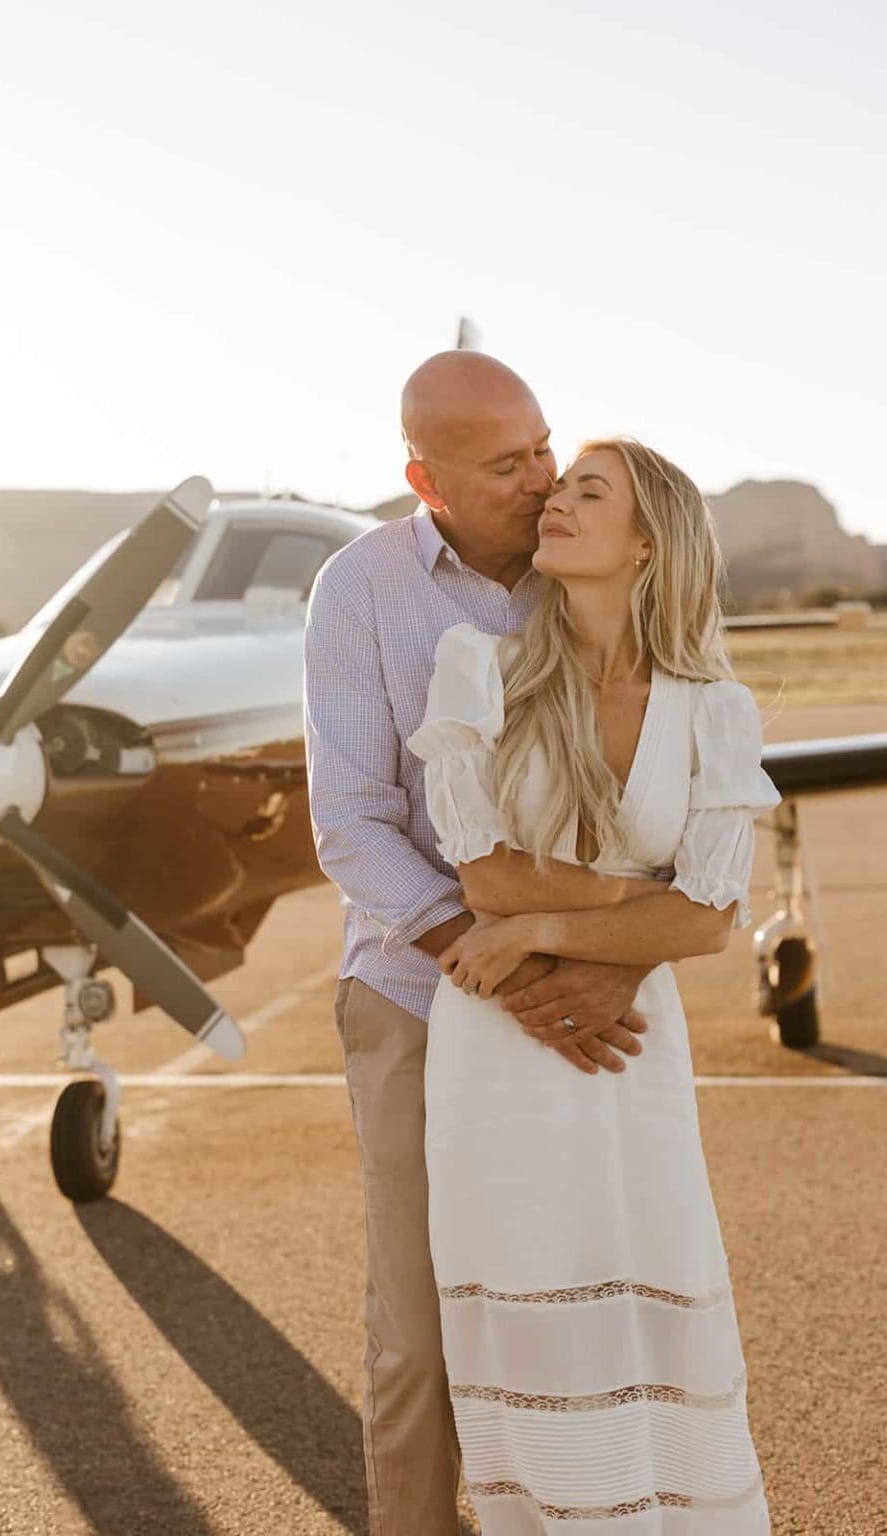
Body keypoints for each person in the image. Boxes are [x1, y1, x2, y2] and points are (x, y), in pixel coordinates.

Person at [304, 352, 671, 1534]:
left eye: (544, 446)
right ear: (427, 477)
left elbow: (674, 813)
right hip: (416, 997)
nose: (542, 478)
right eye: (506, 463)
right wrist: (507, 962)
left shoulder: (611, 571)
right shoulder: (360, 590)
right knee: (419, 1331)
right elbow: (351, 826)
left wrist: (599, 961)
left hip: (594, 1001)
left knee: (586, 1312)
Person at [407, 435, 778, 1531]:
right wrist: (632, 905)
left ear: (649, 540)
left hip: (629, 1039)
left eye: (587, 491)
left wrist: (554, 931)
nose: (554, 503)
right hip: (494, 1048)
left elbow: (710, 921)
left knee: (648, 1284)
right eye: (557, 487)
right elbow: (482, 871)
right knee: (529, 1310)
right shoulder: (478, 669)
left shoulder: (714, 707)